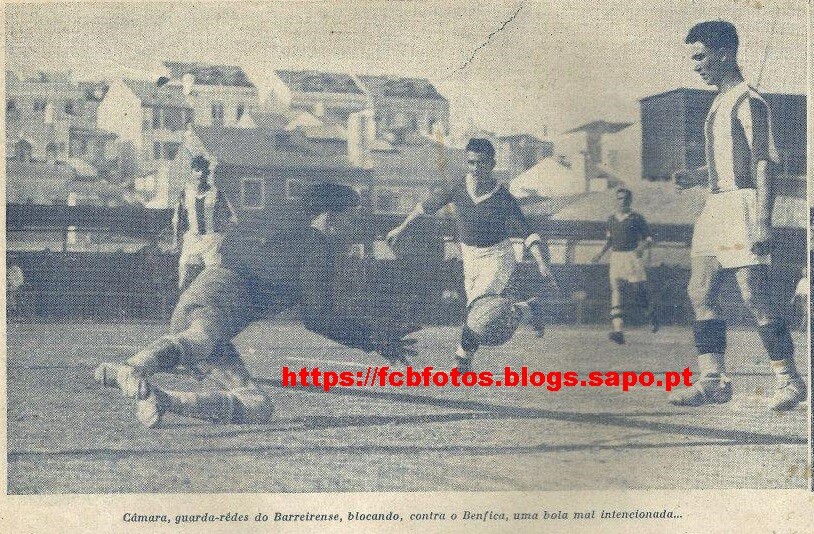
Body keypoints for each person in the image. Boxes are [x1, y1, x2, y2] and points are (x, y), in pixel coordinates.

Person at [95, 183, 418, 428]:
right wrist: (370, 338)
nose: (356, 225)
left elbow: (232, 244)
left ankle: (162, 399)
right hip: (219, 298)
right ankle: (134, 367)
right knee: (201, 338)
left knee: (257, 407)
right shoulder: (316, 245)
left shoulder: (279, 225)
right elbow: (317, 318)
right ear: (330, 217)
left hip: (210, 305)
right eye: (353, 216)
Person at [669, 21, 806, 410]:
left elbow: (764, 164)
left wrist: (763, 219)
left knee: (754, 295)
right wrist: (697, 175)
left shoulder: (749, 100)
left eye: (701, 57)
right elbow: (733, 162)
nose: (696, 66)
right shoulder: (719, 101)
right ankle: (713, 380)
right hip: (716, 204)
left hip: (743, 205)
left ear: (725, 53)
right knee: (699, 291)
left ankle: (789, 381)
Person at [386, 138, 554, 373]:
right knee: (479, 312)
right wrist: (401, 228)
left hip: (497, 256)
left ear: (492, 164)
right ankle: (529, 308)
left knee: (478, 311)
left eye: (482, 163)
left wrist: (541, 262)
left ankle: (461, 362)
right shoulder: (457, 186)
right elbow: (424, 207)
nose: (475, 169)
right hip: (470, 258)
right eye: (471, 163)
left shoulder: (502, 197)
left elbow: (527, 232)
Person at [591, 187, 657, 344]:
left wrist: (641, 248)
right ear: (616, 200)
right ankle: (618, 331)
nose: (622, 201)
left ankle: (652, 315)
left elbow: (649, 239)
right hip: (616, 257)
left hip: (632, 257)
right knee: (616, 290)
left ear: (630, 200)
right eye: (619, 198)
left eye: (625, 199)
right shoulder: (611, 219)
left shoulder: (637, 218)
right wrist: (600, 254)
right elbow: (609, 240)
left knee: (638, 291)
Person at [173, 155, 238, 290]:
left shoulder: (217, 194)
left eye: (203, 170)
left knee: (213, 279)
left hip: (211, 241)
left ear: (208, 173)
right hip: (192, 240)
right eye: (197, 170)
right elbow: (178, 220)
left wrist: (221, 238)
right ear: (191, 171)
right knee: (184, 274)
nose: (200, 174)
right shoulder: (185, 193)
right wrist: (176, 241)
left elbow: (232, 219)